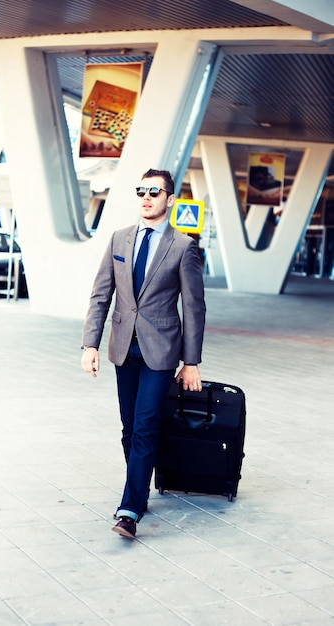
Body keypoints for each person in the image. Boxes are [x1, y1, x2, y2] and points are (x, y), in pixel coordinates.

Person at [81, 168, 206, 539]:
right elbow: (101, 294)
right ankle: (139, 489)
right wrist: (90, 344)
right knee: (129, 428)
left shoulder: (183, 247)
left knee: (146, 426)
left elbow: (194, 306)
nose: (147, 197)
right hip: (123, 348)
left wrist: (192, 362)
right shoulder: (119, 240)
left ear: (170, 199)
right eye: (142, 191)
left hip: (161, 350)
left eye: (155, 191)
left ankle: (129, 509)